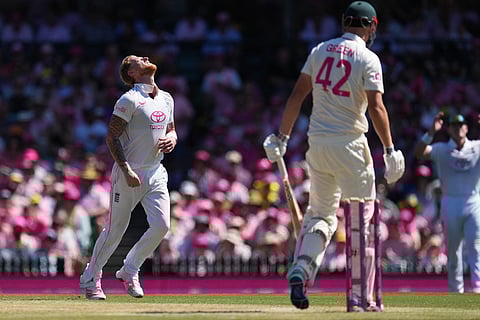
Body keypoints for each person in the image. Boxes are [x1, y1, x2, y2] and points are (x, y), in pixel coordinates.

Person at [263, 1, 405, 311]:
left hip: (318, 144)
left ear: (344, 22)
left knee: (321, 215)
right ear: (371, 26)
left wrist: (282, 136)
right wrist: (390, 148)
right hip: (351, 145)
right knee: (363, 219)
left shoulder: (319, 50)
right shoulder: (368, 57)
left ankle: (301, 268)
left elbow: (297, 95)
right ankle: (361, 297)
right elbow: (377, 107)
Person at [79, 55, 177, 300]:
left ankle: (129, 269)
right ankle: (91, 278)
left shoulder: (166, 98)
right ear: (131, 73)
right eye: (136, 60)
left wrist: (173, 139)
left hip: (156, 171)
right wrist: (126, 170)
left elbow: (172, 129)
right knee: (115, 229)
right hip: (129, 172)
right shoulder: (129, 99)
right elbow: (111, 138)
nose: (144, 58)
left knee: (162, 226)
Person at [414, 112, 480, 293]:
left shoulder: (477, 147)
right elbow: (419, 152)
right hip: (450, 201)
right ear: (449, 129)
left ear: (467, 128)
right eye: (454, 125)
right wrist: (431, 132)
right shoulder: (441, 149)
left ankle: (477, 288)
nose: (458, 128)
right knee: (453, 249)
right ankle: (455, 290)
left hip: (473, 201)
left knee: (475, 247)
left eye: (461, 125)